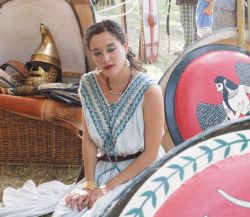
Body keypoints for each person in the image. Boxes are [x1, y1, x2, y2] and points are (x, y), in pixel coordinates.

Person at [52, 20, 165, 217]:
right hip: (103, 169)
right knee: (68, 211)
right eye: (97, 53)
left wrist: (107, 188)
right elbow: (88, 139)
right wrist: (90, 183)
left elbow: (151, 154)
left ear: (125, 46)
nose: (105, 58)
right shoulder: (88, 84)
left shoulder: (150, 91)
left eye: (111, 49)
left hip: (142, 170)